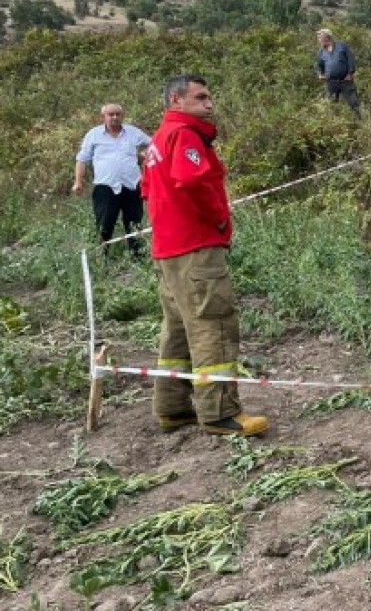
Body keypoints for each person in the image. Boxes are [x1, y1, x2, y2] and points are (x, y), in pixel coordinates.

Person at [142, 75, 267, 437]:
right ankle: (219, 413)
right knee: (214, 325)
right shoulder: (185, 135)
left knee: (178, 330)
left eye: (209, 96)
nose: (209, 103)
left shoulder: (158, 139)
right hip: (196, 247)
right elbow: (193, 181)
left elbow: (147, 189)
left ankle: (172, 408)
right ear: (176, 101)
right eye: (201, 97)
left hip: (169, 249)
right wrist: (219, 218)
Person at [73, 103, 151, 257]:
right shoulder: (93, 135)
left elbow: (155, 144)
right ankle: (102, 259)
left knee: (134, 224)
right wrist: (78, 181)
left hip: (132, 185)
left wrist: (145, 155)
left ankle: (137, 258)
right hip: (105, 187)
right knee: (104, 224)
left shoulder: (133, 133)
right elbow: (82, 159)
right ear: (103, 117)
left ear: (122, 115)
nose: (115, 117)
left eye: (118, 114)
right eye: (111, 114)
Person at [315, 28, 361, 118]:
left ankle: (358, 121)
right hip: (331, 82)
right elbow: (319, 65)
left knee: (353, 102)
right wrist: (320, 74)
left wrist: (350, 73)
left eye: (319, 38)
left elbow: (351, 59)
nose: (318, 40)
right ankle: (335, 123)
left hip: (345, 80)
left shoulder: (342, 46)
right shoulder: (321, 51)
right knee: (332, 104)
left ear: (327, 37)